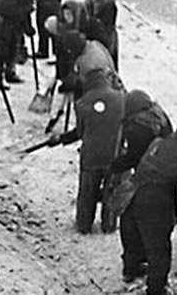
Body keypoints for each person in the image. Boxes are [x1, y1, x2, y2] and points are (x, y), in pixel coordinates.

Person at [119, 124, 177, 295]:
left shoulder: (157, 143)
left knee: (133, 236)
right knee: (159, 250)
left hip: (133, 194)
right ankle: (156, 289)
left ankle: (130, 269)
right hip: (157, 204)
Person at [51, 69, 126, 234]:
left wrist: (62, 138)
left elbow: (80, 132)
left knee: (87, 192)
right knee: (111, 191)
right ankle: (109, 224)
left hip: (91, 156)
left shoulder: (82, 103)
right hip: (114, 155)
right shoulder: (121, 99)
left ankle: (84, 224)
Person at [0, 0, 46, 84]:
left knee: (13, 50)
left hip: (14, 28)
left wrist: (28, 29)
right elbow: (7, 10)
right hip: (4, 25)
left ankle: (10, 73)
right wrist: (26, 10)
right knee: (3, 51)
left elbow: (25, 17)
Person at [110, 90, 173, 175]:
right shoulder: (160, 115)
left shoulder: (137, 127)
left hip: (147, 170)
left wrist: (113, 167)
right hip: (165, 163)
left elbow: (133, 158)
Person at [84, 0, 119, 68]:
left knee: (108, 61)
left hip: (107, 36)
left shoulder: (107, 3)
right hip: (96, 35)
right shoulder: (89, 1)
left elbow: (105, 24)